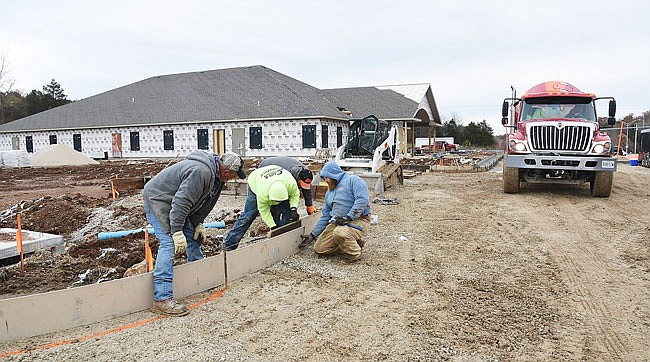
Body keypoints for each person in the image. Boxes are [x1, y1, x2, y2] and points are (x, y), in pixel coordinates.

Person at [143, 150, 246, 316]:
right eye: (234, 175)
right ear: (227, 171)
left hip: (174, 205)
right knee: (169, 244)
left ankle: (200, 278)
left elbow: (204, 202)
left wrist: (198, 223)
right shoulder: (201, 172)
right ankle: (162, 299)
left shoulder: (217, 177)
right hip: (159, 201)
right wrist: (176, 232)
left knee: (193, 237)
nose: (234, 178)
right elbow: (181, 203)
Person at [300, 161, 371, 262]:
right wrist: (312, 235)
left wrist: (349, 217)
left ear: (334, 175)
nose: (326, 181)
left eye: (327, 177)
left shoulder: (353, 180)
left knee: (340, 233)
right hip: (339, 222)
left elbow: (362, 200)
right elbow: (325, 216)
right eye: (324, 178)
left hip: (358, 219)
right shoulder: (329, 193)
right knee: (320, 248)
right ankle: (353, 242)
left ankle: (354, 253)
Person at [224, 165, 301, 251]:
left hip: (278, 180)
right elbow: (264, 211)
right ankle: (229, 245)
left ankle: (284, 241)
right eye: (276, 201)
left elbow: (295, 195)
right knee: (248, 216)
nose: (278, 203)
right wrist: (272, 226)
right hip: (256, 181)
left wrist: (293, 209)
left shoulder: (291, 184)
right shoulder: (262, 193)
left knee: (287, 212)